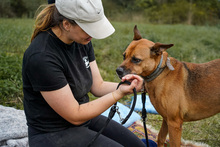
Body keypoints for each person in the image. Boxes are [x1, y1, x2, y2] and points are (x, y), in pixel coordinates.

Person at [22, 0, 145, 146]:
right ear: (66, 24)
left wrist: (131, 86)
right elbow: (75, 115)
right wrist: (118, 94)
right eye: (88, 28)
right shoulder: (42, 56)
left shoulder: (82, 40)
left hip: (83, 119)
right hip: (53, 133)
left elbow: (97, 86)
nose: (92, 34)